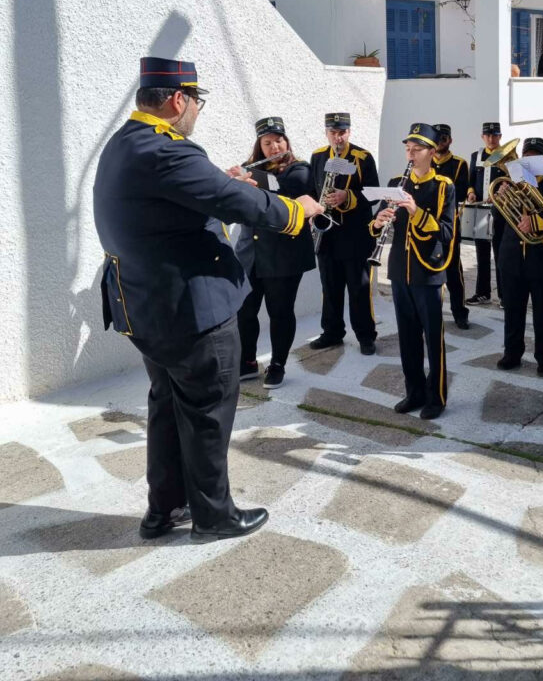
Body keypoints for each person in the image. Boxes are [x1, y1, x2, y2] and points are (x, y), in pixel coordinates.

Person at [93, 58, 323, 542]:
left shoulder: (125, 143)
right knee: (206, 414)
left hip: (147, 309)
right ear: (179, 100)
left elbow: (184, 198)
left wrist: (220, 184)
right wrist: (295, 212)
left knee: (167, 407)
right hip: (190, 311)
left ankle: (164, 510)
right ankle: (214, 517)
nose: (196, 110)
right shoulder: (168, 151)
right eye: (196, 100)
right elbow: (236, 202)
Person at [371, 123, 456, 419]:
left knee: (433, 339)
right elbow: (373, 223)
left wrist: (416, 211)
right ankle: (414, 392)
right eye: (408, 148)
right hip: (399, 270)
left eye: (417, 149)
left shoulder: (444, 185)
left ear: (432, 152)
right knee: (407, 338)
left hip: (429, 271)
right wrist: (379, 222)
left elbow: (446, 232)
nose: (411, 154)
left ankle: (437, 397)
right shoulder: (397, 181)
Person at [232, 117, 316, 389]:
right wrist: (232, 184)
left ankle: (277, 364)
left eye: (278, 141)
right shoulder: (250, 171)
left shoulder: (299, 170)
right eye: (267, 143)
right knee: (244, 311)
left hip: (283, 256)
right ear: (259, 146)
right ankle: (247, 362)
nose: (273, 146)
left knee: (280, 311)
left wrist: (247, 186)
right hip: (250, 255)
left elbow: (280, 199)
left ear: (287, 142)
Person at [309, 112, 379, 354]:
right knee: (330, 287)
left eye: (342, 132)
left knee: (359, 289)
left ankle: (366, 336)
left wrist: (346, 196)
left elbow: (373, 193)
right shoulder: (318, 156)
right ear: (326, 132)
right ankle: (332, 332)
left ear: (349, 132)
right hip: (327, 235)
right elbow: (311, 188)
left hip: (355, 235)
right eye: (333, 132)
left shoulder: (363, 157)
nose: (337, 137)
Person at [496, 138, 543, 376]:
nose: (528, 161)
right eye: (524, 156)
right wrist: (502, 195)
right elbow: (504, 216)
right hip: (513, 255)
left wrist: (535, 222)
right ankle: (512, 353)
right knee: (512, 310)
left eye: (535, 157)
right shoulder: (511, 181)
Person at [432, 123, 470, 329]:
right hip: (427, 222)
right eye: (437, 137)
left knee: (453, 269)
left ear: (450, 140)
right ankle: (431, 310)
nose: (440, 141)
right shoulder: (425, 159)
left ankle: (460, 312)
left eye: (444, 137)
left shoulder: (459, 164)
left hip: (449, 223)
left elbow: (461, 193)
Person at [466, 122, 507, 305]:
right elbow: (471, 180)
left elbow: (513, 181)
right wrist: (471, 192)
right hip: (480, 210)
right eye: (488, 135)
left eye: (495, 135)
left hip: (502, 211)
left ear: (500, 136)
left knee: (500, 254)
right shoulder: (476, 156)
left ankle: (504, 296)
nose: (491, 139)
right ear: (483, 136)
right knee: (481, 254)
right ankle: (483, 293)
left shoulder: (508, 155)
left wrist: (499, 194)